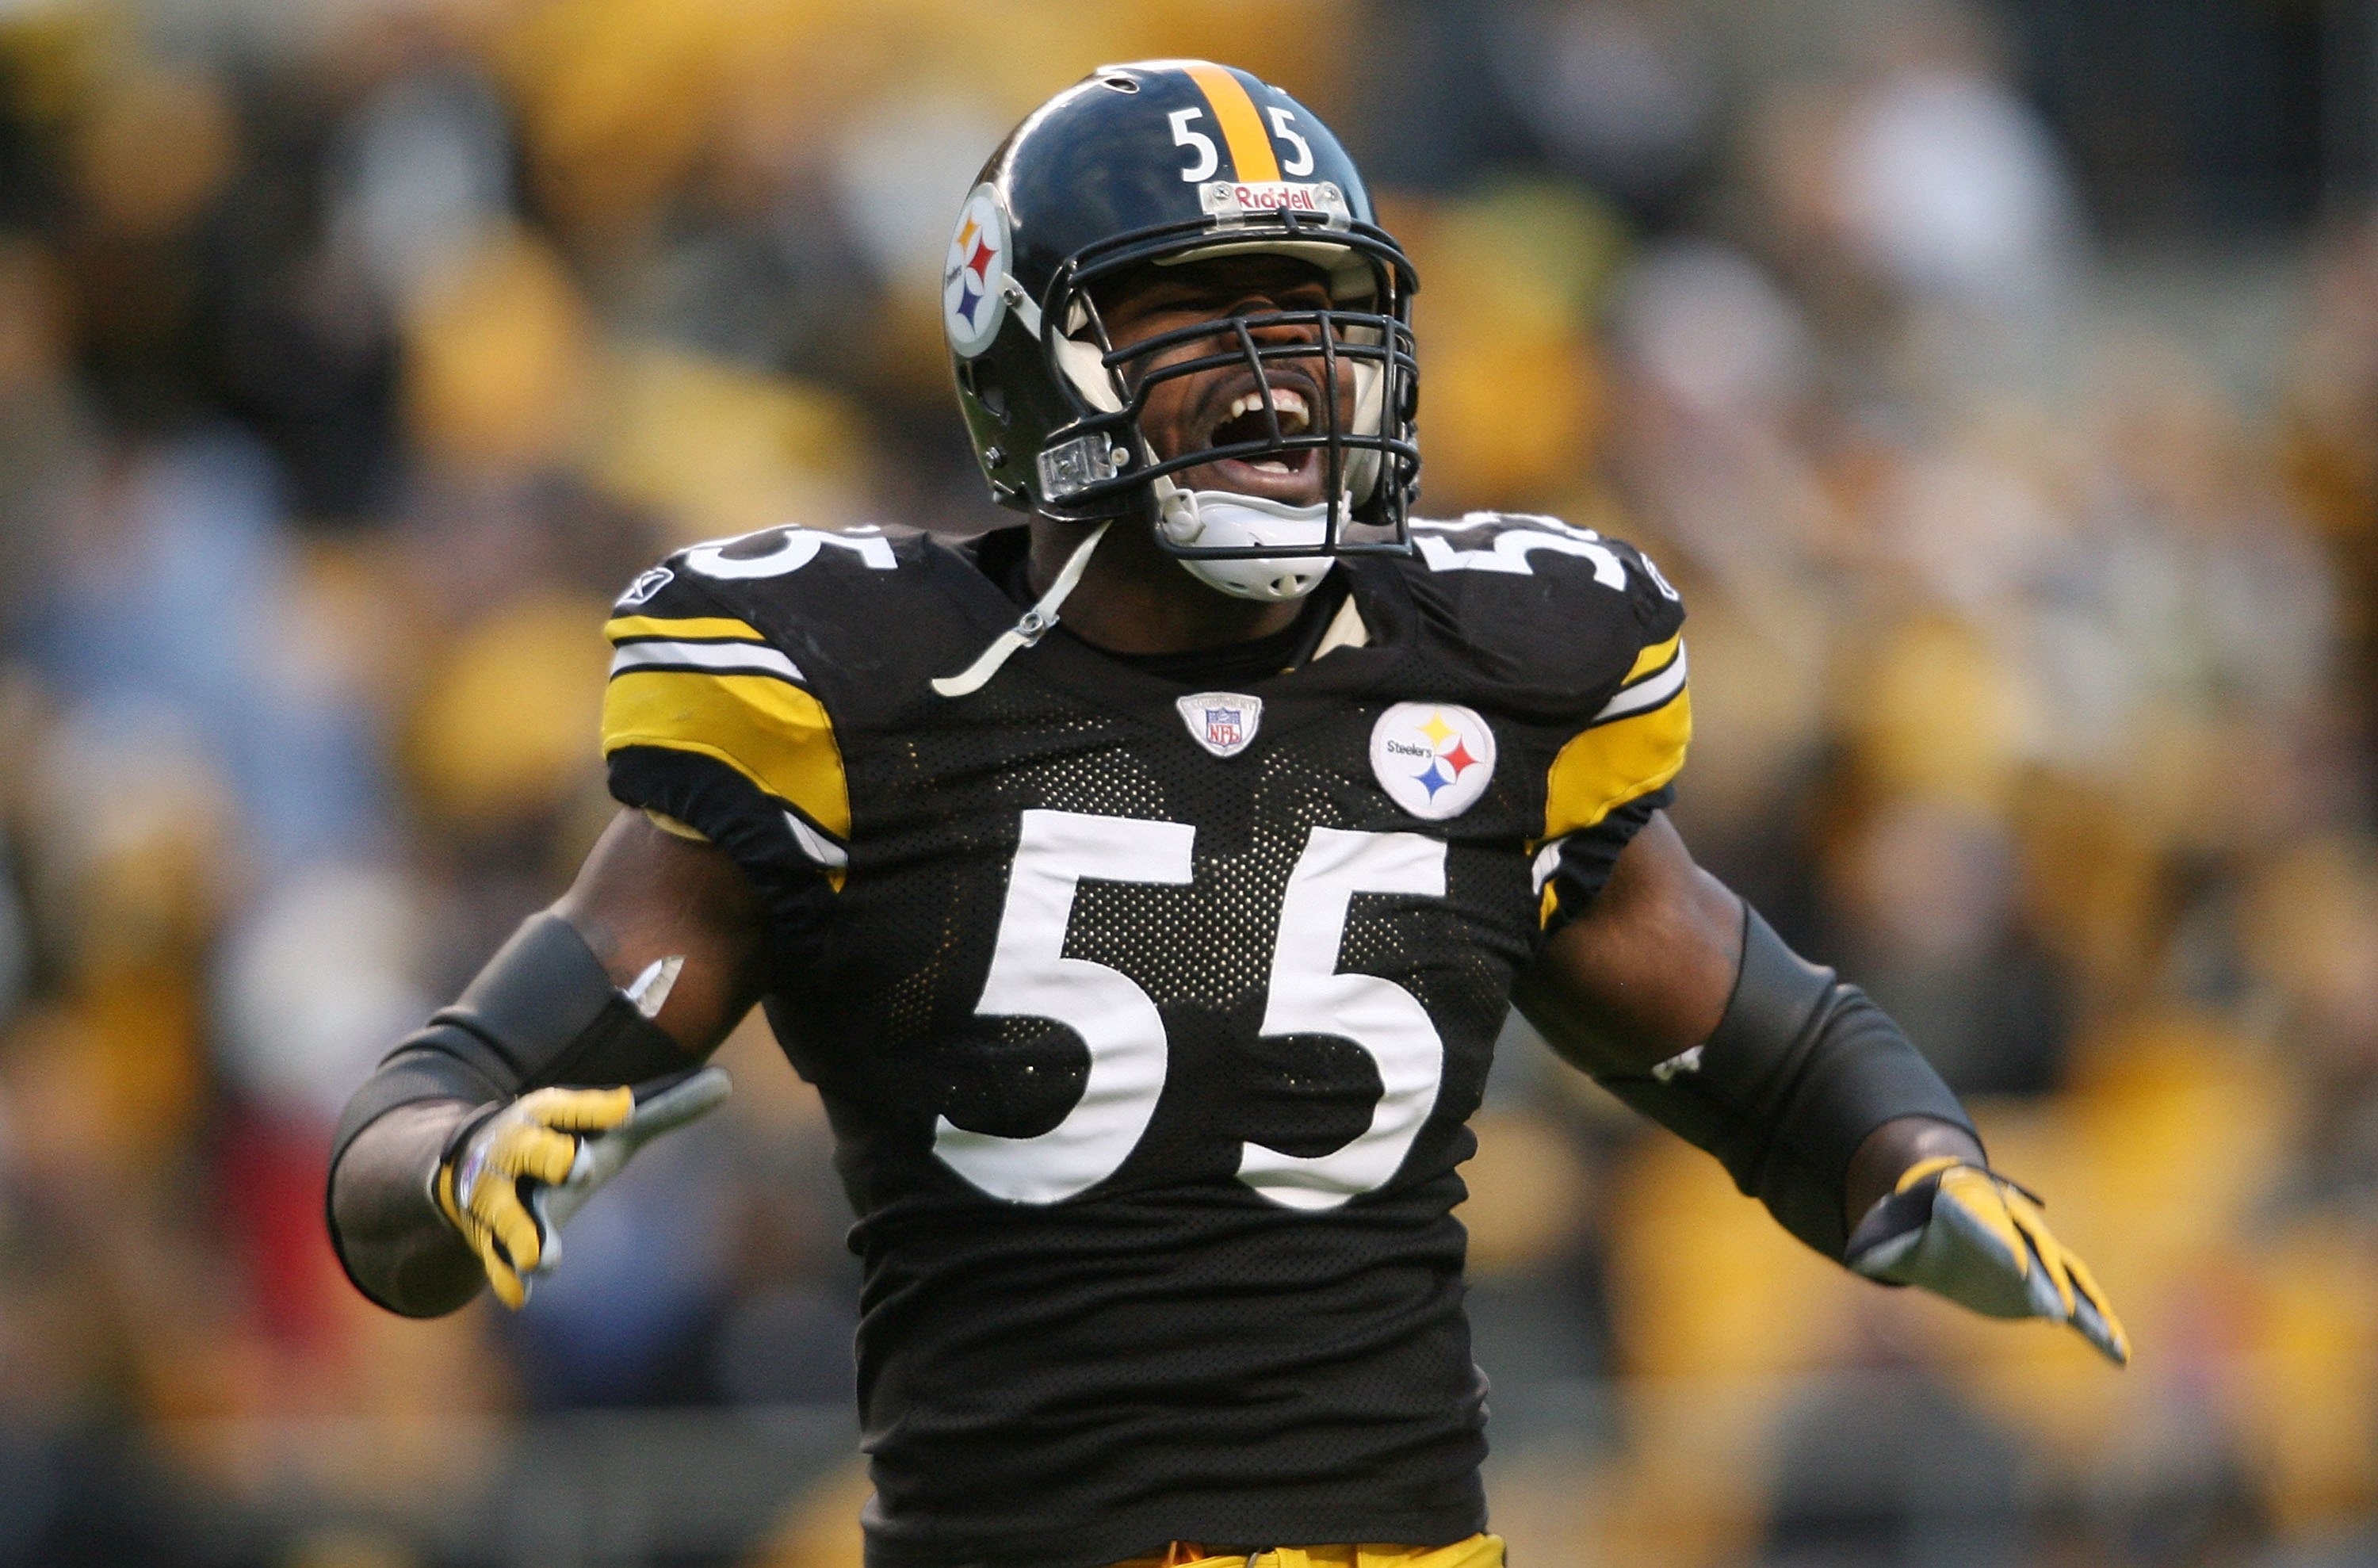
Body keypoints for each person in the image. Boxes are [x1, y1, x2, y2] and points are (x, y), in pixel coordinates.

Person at [325, 61, 2125, 1568]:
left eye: (1318, 314)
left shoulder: (1498, 664)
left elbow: (1761, 1035)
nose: (1279, 375)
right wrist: (455, 1176)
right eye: (1196, 312)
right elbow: (425, 1114)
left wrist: (1917, 1160)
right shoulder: (859, 689)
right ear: (1029, 352)